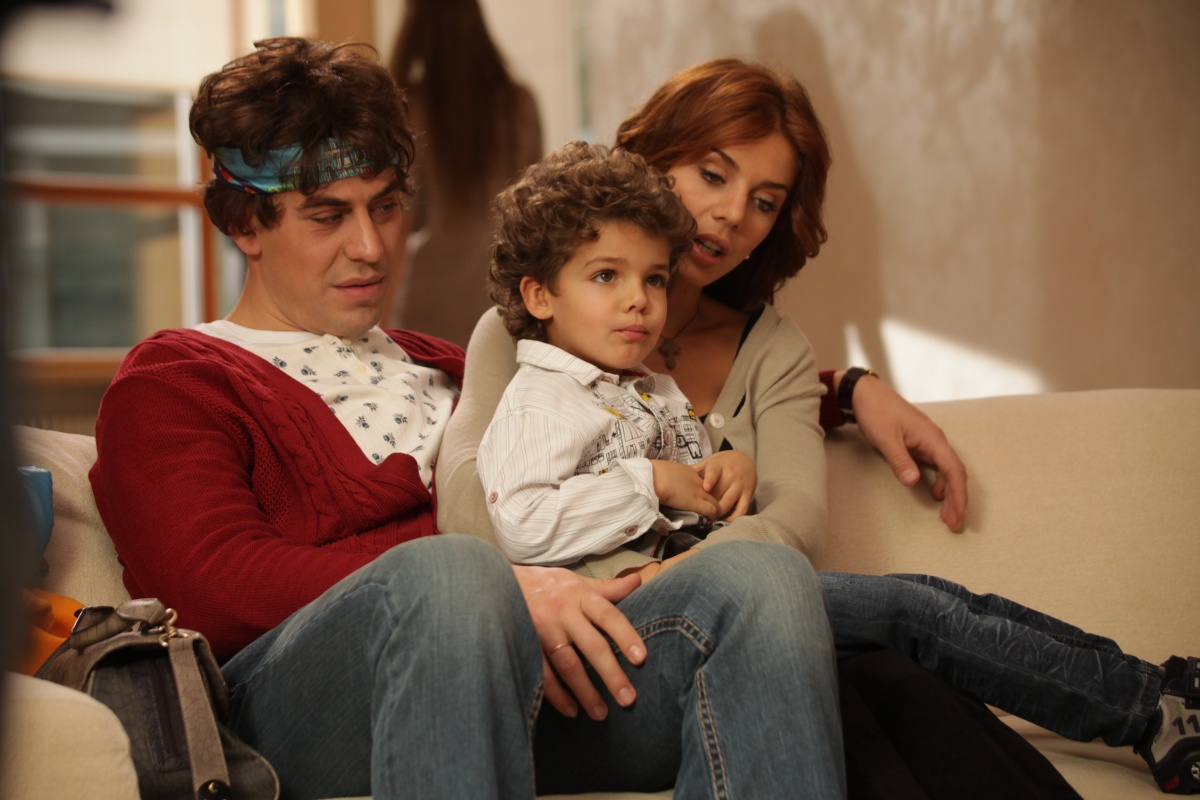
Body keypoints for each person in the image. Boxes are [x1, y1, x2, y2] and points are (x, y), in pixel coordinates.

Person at [88, 38, 845, 799]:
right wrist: (510, 587)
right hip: (295, 707)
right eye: (328, 216)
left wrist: (842, 391)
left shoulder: (453, 365)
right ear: (244, 223)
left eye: (387, 207)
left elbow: (633, 395)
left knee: (762, 577)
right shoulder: (177, 381)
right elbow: (213, 584)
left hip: (525, 674)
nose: (371, 246)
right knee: (454, 572)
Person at [442, 59, 1200, 795]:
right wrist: (669, 563)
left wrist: (755, 458)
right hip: (603, 639)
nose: (732, 214)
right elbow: (478, 505)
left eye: (765, 201)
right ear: (655, 160)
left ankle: (1160, 709)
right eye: (712, 174)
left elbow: (791, 520)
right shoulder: (528, 337)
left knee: (884, 675)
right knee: (902, 619)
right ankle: (1157, 702)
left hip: (731, 623)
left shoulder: (750, 357)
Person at [386, 0, 543, 346]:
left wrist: (378, 318)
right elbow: (534, 215)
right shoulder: (518, 103)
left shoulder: (411, 108)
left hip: (431, 307)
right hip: (505, 300)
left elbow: (401, 220)